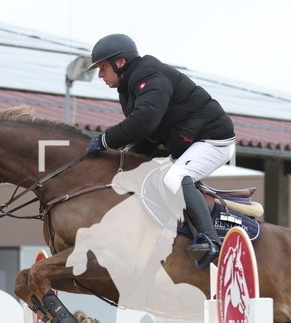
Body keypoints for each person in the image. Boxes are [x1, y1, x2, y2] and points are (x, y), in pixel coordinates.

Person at [84, 33, 236, 266]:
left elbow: (143, 122)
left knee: (176, 177)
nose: (100, 74)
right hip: (189, 145)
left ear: (120, 62)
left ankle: (210, 241)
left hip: (214, 141)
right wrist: (124, 161)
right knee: (142, 179)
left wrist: (104, 141)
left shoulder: (148, 75)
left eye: (103, 67)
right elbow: (150, 135)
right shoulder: (128, 87)